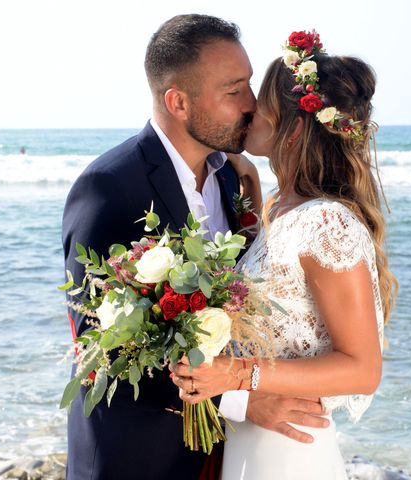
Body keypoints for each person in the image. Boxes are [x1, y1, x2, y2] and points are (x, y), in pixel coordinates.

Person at [62, 16, 329, 480]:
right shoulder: (109, 187)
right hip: (135, 456)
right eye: (234, 90)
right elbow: (102, 344)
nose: (252, 104)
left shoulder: (232, 177)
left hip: (220, 452)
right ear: (178, 101)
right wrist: (246, 398)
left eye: (248, 84)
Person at [170, 30, 398, 479]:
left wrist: (236, 376)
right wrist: (251, 197)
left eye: (262, 102)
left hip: (289, 448)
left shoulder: (328, 223)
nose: (249, 107)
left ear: (293, 129)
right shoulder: (279, 206)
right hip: (251, 440)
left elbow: (362, 369)